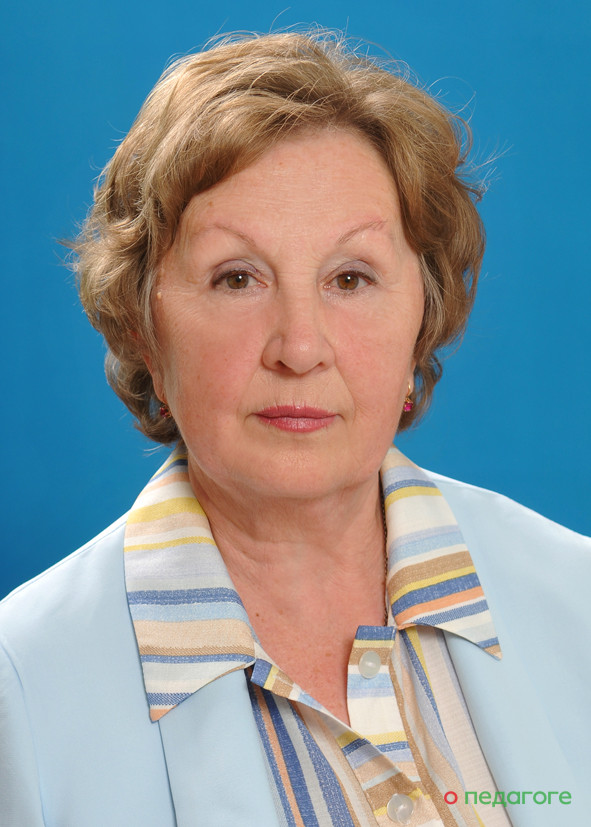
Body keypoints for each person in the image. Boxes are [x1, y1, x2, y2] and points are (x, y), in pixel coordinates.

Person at [0, 31, 589, 827]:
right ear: (143, 328)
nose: (300, 347)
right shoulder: (21, 688)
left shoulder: (577, 598)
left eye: (350, 277)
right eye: (237, 278)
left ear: (421, 318)